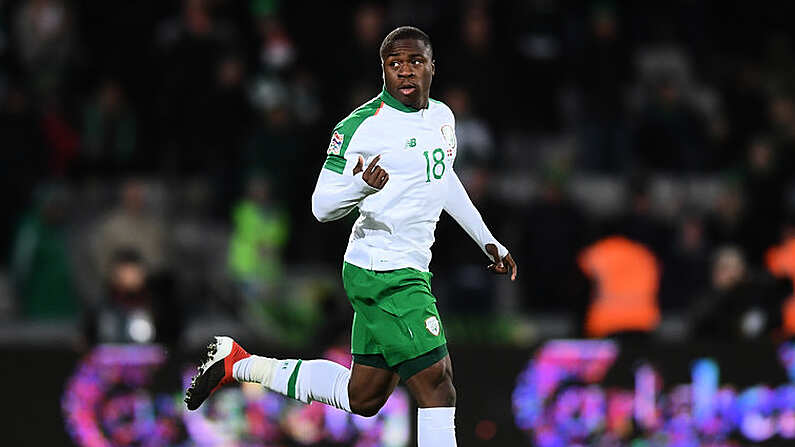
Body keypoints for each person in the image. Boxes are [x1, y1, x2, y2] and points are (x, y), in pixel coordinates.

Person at [185, 26, 517, 446]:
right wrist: (362, 186)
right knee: (438, 383)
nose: (405, 71)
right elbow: (320, 206)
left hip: (406, 266)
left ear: (433, 66)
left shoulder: (442, 117)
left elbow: (441, 177)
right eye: (394, 64)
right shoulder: (360, 127)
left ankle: (238, 363)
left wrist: (487, 239)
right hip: (384, 270)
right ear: (383, 71)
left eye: (415, 61)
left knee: (364, 395)